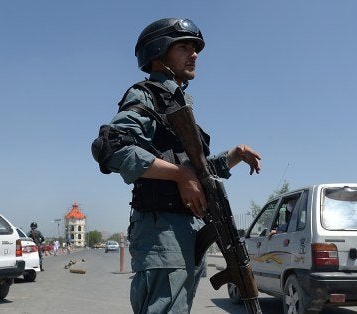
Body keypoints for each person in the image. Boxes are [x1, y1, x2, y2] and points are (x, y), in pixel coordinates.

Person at [91, 18, 262, 313]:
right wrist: (180, 175)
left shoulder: (176, 103)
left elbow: (196, 171)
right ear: (159, 52)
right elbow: (111, 148)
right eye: (183, 47)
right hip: (162, 231)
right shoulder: (146, 94)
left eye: (195, 48)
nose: (194, 54)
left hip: (187, 230)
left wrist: (232, 156)